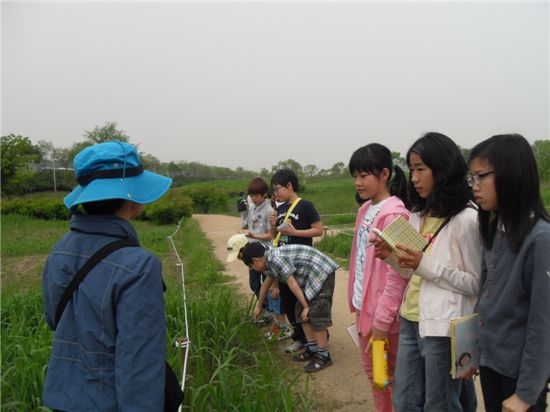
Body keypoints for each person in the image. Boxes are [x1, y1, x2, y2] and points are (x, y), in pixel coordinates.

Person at [42, 141, 174, 411]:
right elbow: (139, 362)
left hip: (62, 396)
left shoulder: (59, 250)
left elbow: (53, 318)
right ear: (131, 199)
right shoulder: (140, 265)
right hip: (110, 402)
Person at [373, 132, 482, 412]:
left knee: (440, 404)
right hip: (410, 319)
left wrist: (423, 263)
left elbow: (475, 283)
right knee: (405, 401)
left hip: (443, 329)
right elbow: (416, 275)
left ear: (443, 169)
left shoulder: (466, 220)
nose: (415, 177)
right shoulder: (417, 214)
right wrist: (392, 259)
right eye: (412, 169)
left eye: (421, 168)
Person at [468, 134, 550, 412]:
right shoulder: (496, 230)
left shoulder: (540, 239)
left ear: (510, 175)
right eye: (472, 179)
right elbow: (485, 301)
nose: (474, 187)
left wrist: (526, 394)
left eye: (480, 177)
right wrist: (472, 354)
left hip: (520, 374)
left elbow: (544, 325)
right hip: (493, 364)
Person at [347, 143, 410, 411]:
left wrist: (382, 321)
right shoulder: (366, 210)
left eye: (364, 176)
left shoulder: (396, 215)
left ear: (385, 174)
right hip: (365, 310)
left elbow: (398, 276)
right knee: (378, 377)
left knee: (385, 378)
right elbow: (360, 263)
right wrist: (357, 305)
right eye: (355, 176)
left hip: (382, 318)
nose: (358, 183)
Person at [242, 242, 339, 373]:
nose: (253, 269)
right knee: (300, 312)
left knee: (316, 312)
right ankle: (313, 349)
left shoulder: (275, 259)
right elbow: (266, 284)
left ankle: (324, 356)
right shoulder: (269, 260)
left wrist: (306, 306)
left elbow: (291, 283)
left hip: (320, 271)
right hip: (309, 276)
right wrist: (259, 306)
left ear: (256, 260)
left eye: (251, 266)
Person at [269, 169, 324, 354]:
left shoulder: (305, 206)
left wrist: (295, 233)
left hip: (301, 264)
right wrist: (272, 225)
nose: (276, 193)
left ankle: (318, 338)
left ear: (290, 186)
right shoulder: (280, 208)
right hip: (284, 264)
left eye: (278, 188)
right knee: (288, 302)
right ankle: (300, 337)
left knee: (305, 301)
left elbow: (318, 230)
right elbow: (274, 237)